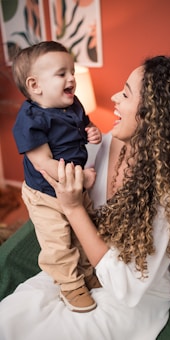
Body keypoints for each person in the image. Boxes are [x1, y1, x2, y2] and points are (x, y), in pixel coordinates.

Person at [0, 55, 170, 340]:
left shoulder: (168, 193)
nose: (114, 96)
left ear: (152, 115)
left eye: (125, 94)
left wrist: (74, 208)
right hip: (85, 265)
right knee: (11, 316)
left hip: (131, 297)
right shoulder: (110, 142)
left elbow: (126, 288)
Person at [12, 41, 102, 312]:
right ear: (35, 85)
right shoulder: (30, 119)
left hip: (72, 188)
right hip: (46, 192)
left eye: (71, 71)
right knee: (58, 241)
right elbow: (44, 164)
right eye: (62, 73)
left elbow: (85, 124)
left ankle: (87, 273)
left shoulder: (73, 104)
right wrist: (81, 179)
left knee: (83, 231)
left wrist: (93, 131)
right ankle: (70, 285)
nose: (72, 78)